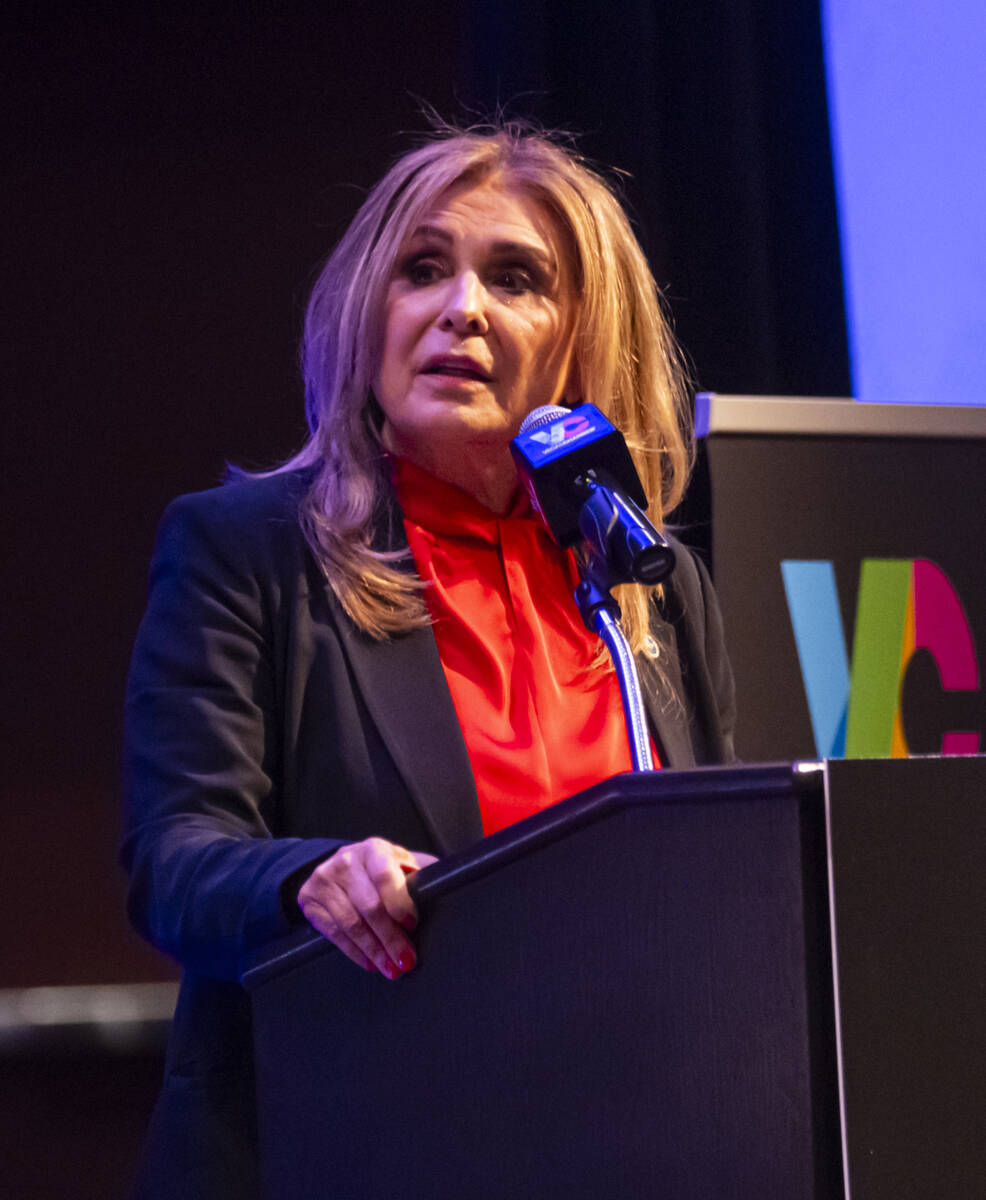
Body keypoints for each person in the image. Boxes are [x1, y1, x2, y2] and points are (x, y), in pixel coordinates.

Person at [121, 122, 735, 1196]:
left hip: (609, 1142)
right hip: (341, 1142)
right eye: (421, 270)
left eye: (515, 279)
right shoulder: (248, 552)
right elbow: (173, 860)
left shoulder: (652, 588)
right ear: (370, 317)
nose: (461, 308)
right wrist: (309, 877)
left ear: (584, 337)